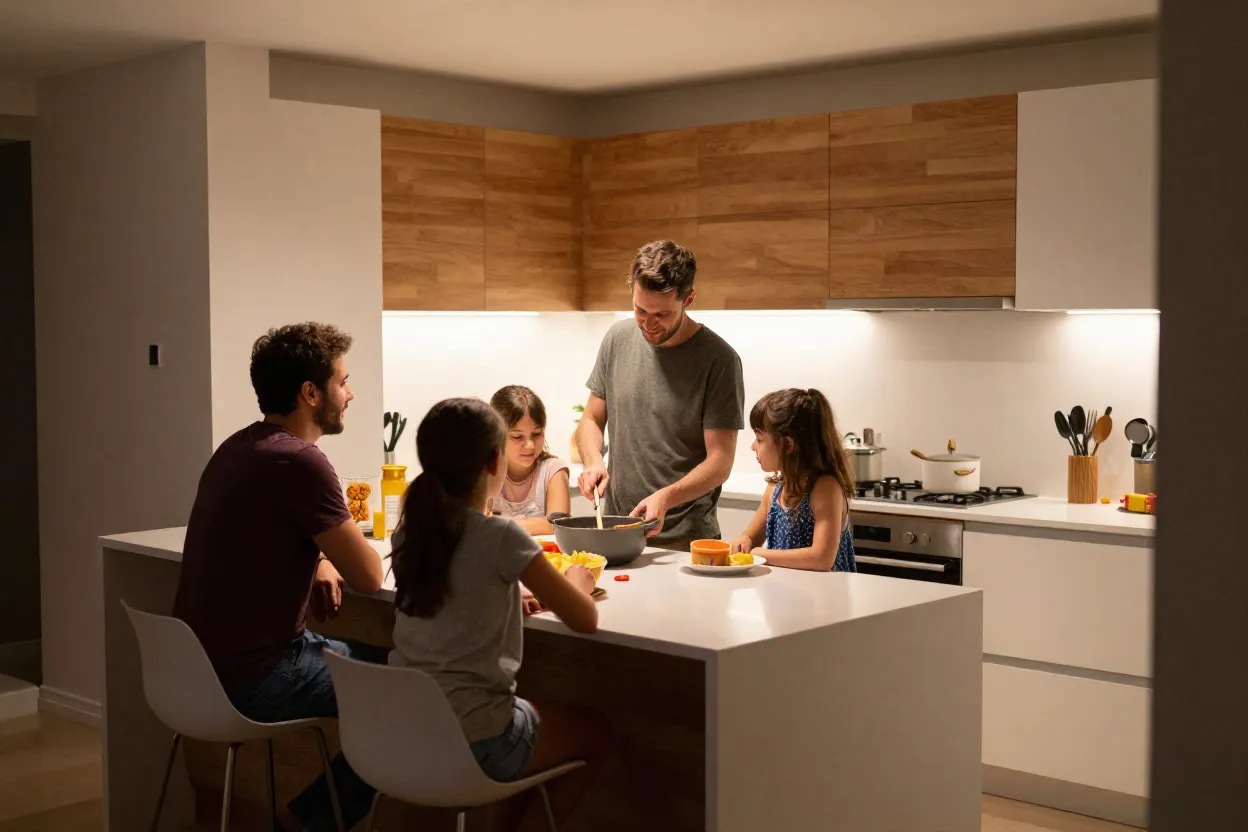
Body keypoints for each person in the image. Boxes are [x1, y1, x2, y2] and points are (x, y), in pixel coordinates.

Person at [173, 322, 386, 832]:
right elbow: (372, 577)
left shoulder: (238, 448)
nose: (350, 393)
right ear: (311, 393)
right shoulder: (302, 461)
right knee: (409, 686)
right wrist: (336, 552)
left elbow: (262, 533)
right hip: (257, 674)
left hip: (194, 671)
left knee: (386, 678)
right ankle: (305, 823)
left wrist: (319, 558)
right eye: (342, 381)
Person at [389, 398, 610, 832]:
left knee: (529, 725)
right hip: (477, 738)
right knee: (596, 729)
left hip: (404, 731)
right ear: (495, 461)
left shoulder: (410, 530)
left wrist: (507, 595)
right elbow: (584, 619)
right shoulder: (501, 536)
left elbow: (457, 592)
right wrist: (579, 583)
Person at [576, 240, 744, 550]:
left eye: (662, 314)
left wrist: (666, 497)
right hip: (616, 528)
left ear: (688, 299)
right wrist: (593, 461)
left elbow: (721, 460)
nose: (648, 323)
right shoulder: (617, 338)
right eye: (640, 309)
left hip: (684, 539)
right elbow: (592, 418)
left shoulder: (718, 360)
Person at [728, 388, 857, 572]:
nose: (753, 446)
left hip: (826, 598)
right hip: (787, 595)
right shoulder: (774, 489)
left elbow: (821, 558)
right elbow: (750, 538)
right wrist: (743, 542)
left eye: (759, 439)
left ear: (787, 444)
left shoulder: (825, 488)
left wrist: (760, 554)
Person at [488, 385, 571, 536]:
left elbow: (558, 525)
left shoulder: (553, 471)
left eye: (537, 434)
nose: (530, 445)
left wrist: (501, 524)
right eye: (518, 436)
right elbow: (478, 524)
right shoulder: (486, 472)